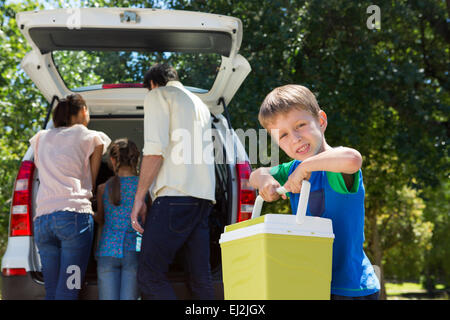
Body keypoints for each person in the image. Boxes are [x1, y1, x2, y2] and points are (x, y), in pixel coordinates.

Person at [249, 84, 380, 300]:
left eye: (300, 125)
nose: (295, 138)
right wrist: (266, 181)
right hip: (312, 280)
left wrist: (306, 167)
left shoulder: (334, 164)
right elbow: (255, 174)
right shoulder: (290, 169)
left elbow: (353, 159)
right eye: (282, 136)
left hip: (350, 286)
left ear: (321, 121)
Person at [130, 63, 216, 300]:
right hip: (203, 201)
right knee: (200, 278)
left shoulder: (159, 95)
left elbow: (155, 150)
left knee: (149, 276)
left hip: (174, 199)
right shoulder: (201, 105)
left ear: (153, 84)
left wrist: (139, 198)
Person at [30, 94, 111, 300]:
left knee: (52, 290)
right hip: (74, 221)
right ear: (83, 110)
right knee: (69, 288)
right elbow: (91, 183)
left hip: (43, 223)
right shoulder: (92, 137)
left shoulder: (40, 138)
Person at [94, 138, 144, 300]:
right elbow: (145, 219)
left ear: (113, 160)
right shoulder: (143, 188)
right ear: (136, 159)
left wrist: (88, 211)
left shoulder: (104, 188)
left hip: (107, 251)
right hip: (134, 250)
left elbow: (101, 219)